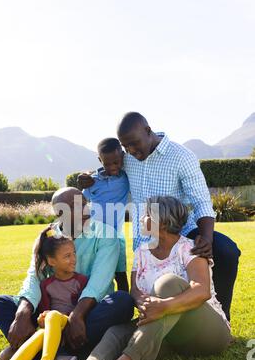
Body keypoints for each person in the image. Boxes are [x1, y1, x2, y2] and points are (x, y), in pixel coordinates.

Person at [15, 196, 231, 360]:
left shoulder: (189, 248)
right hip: (170, 336)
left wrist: (163, 306)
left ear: (162, 222)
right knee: (116, 333)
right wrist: (142, 302)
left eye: (146, 214)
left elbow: (201, 291)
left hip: (208, 333)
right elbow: (135, 290)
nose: (140, 218)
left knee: (167, 284)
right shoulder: (142, 253)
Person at [78, 112, 241, 321]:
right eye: (126, 147)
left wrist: (207, 238)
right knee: (155, 293)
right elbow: (108, 168)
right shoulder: (126, 158)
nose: (131, 151)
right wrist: (87, 177)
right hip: (146, 236)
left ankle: (221, 318)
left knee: (226, 251)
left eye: (135, 144)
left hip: (180, 229)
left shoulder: (181, 157)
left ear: (148, 131)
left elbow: (201, 200)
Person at [0, 187, 134, 360]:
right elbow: (34, 276)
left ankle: (38, 353)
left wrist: (77, 315)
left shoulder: (107, 234)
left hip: (88, 314)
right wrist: (23, 314)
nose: (85, 208)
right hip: (50, 315)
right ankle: (64, 355)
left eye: (84, 202)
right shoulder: (48, 237)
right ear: (60, 214)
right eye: (75, 206)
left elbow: (100, 281)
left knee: (123, 301)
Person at [0, 230, 88, 360]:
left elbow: (80, 309)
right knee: (40, 333)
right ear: (52, 261)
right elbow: (44, 309)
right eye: (67, 256)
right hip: (51, 328)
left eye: (73, 253)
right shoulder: (46, 284)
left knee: (53, 316)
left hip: (68, 325)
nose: (74, 259)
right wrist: (42, 318)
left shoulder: (81, 281)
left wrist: (53, 316)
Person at [82, 137, 130, 291]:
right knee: (95, 274)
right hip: (95, 238)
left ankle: (125, 309)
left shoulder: (126, 178)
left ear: (122, 156)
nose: (113, 167)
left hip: (116, 237)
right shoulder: (92, 182)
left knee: (120, 275)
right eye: (107, 164)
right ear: (99, 160)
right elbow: (81, 202)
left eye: (116, 162)